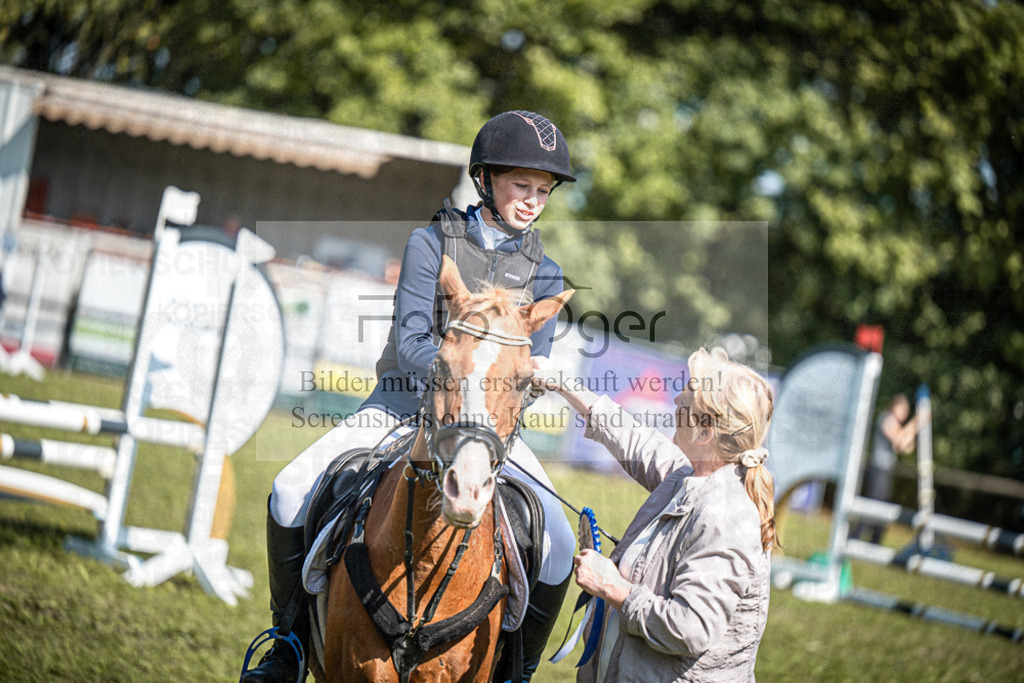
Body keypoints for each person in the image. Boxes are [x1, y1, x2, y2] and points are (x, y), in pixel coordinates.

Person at [242, 111, 578, 682]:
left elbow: (524, 369)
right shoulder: (430, 243)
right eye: (521, 184)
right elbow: (413, 343)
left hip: (492, 434)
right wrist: (457, 385)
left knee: (560, 543)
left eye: (542, 190)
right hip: (401, 408)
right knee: (289, 488)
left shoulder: (546, 276)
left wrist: (493, 407)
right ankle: (289, 645)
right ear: (486, 180)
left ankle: (513, 672)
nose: (531, 200)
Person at [539, 347, 775, 682]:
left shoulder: (725, 515)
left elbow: (690, 629)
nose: (675, 404)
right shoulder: (692, 475)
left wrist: (614, 587)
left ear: (705, 433)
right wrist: (561, 383)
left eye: (683, 403)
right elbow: (636, 440)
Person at [853, 394, 917, 544]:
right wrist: (916, 422)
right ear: (894, 407)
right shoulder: (887, 419)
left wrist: (913, 427)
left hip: (885, 470)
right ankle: (856, 537)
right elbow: (900, 441)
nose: (904, 413)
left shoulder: (895, 424)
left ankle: (874, 540)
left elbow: (908, 446)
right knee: (873, 505)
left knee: (882, 505)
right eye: (902, 409)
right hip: (878, 469)